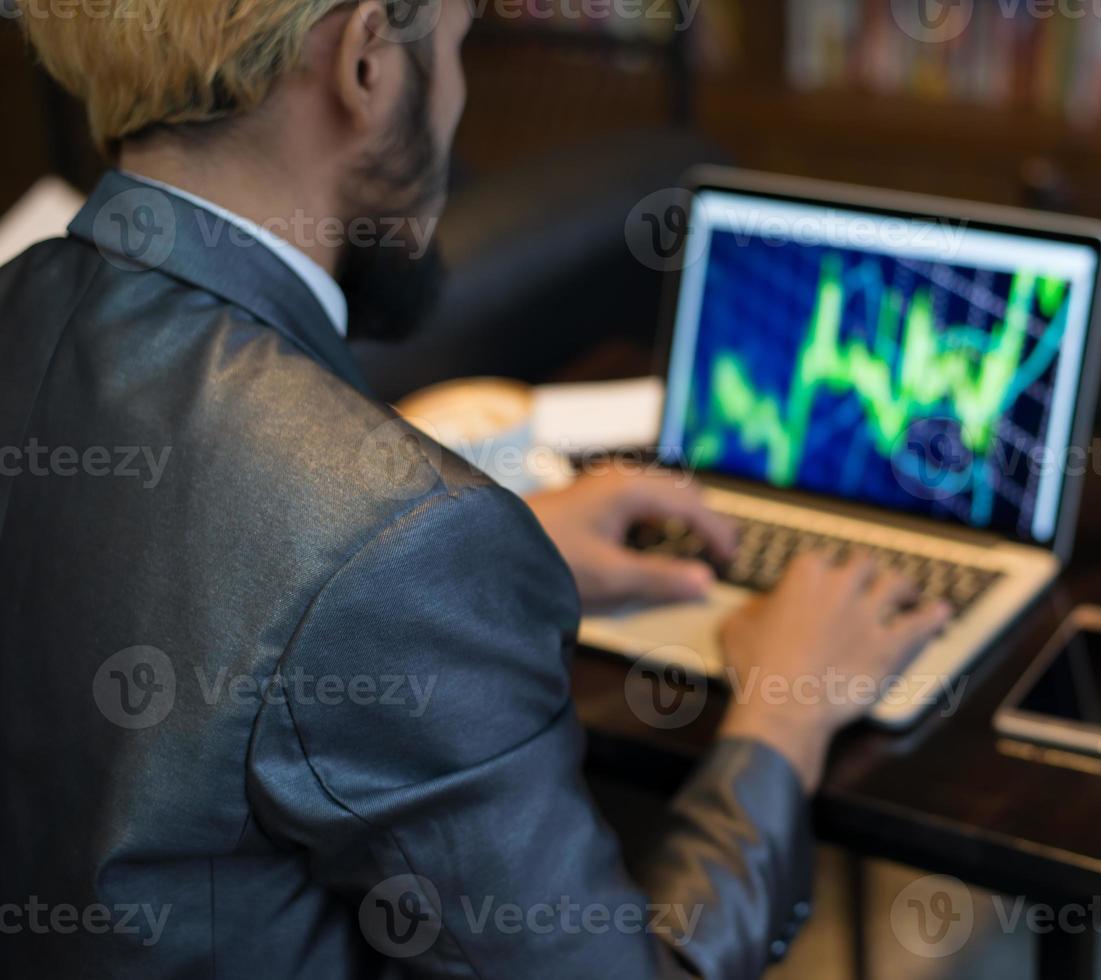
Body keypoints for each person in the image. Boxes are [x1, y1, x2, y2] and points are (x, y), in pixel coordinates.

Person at [0, 2, 953, 977]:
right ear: (366, 61)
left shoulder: (22, 297)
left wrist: (484, 551)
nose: (456, 101)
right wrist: (781, 718)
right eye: (456, 50)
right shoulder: (398, 539)